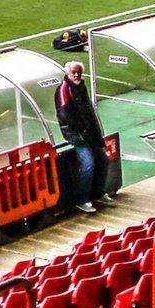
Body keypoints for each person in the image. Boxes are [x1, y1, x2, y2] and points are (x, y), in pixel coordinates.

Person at [55, 61, 112, 213]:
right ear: (67, 73)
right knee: (88, 164)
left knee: (103, 160)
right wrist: (80, 132)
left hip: (89, 133)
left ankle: (98, 193)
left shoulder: (81, 87)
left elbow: (88, 111)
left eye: (78, 72)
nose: (76, 75)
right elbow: (65, 114)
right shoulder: (64, 89)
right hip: (79, 136)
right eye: (73, 72)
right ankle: (82, 200)